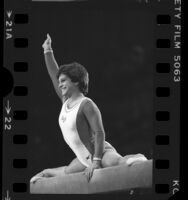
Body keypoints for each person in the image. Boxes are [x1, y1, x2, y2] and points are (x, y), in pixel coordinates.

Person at [30, 34, 147, 184]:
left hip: (101, 152)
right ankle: (45, 173)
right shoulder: (65, 101)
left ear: (77, 82)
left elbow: (99, 133)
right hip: (84, 159)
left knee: (115, 164)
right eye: (60, 82)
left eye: (64, 81)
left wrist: (97, 161)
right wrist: (48, 50)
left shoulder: (87, 104)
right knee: (67, 172)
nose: (59, 84)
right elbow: (54, 75)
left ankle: (136, 157)